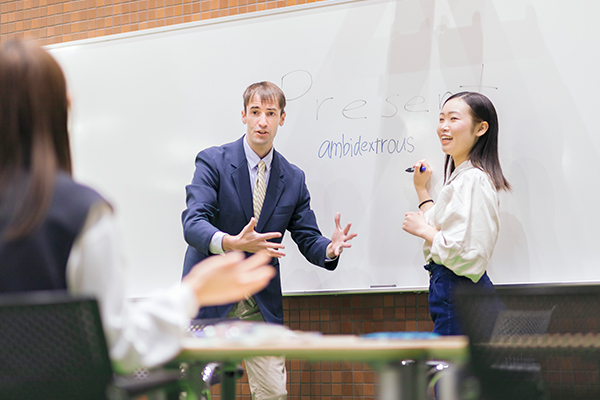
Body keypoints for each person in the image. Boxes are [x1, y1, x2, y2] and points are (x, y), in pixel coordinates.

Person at [0, 39, 276, 374]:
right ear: (65, 106)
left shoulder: (290, 175)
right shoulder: (82, 213)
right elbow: (117, 349)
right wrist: (192, 293)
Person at [181, 81, 357, 399]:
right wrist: (232, 243)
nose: (263, 121)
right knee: (194, 392)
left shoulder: (292, 178)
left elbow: (307, 236)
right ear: (244, 116)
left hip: (258, 304)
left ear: (282, 118)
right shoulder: (213, 162)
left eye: (271, 113)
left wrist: (329, 249)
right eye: (255, 112)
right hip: (210, 296)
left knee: (274, 394)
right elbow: (193, 224)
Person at [402, 91, 511, 336]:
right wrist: (421, 189)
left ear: (481, 128)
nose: (444, 127)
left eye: (453, 119)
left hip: (458, 289)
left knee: (449, 373)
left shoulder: (473, 179)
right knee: (455, 372)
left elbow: (467, 256)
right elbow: (446, 231)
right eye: (441, 119)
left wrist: (424, 230)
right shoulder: (463, 177)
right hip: (453, 289)